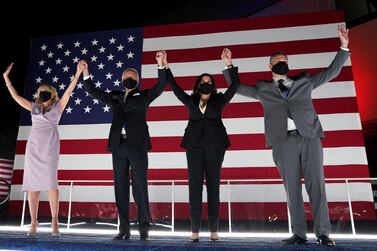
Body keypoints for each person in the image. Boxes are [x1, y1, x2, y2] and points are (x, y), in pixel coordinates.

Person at [222, 24, 350, 246]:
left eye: (285, 60)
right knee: (292, 188)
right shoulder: (263, 88)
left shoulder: (305, 81)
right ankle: (299, 234)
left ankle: (323, 233)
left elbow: (331, 72)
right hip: (283, 141)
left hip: (309, 137)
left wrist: (344, 47)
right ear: (270, 65)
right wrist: (229, 66)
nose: (283, 62)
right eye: (278, 60)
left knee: (316, 184)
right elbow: (237, 88)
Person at [81, 51, 167, 241]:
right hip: (118, 145)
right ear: (121, 79)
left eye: (133, 76)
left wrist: (161, 64)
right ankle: (124, 229)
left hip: (137, 145)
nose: (129, 78)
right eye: (126, 76)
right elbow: (93, 91)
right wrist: (86, 72)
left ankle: (144, 228)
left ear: (138, 80)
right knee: (120, 187)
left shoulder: (144, 96)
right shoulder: (114, 96)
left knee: (139, 187)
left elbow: (160, 86)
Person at [163, 50, 240, 242]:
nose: (206, 83)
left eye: (209, 81)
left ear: (213, 86)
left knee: (213, 188)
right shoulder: (190, 100)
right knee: (194, 188)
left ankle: (214, 230)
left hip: (215, 147)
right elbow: (174, 86)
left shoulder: (220, 99)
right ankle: (194, 231)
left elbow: (235, 85)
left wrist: (228, 64)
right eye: (203, 81)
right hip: (194, 148)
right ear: (198, 85)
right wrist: (165, 66)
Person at [3, 62, 84, 236]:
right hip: (33, 149)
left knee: (51, 185)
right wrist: (7, 80)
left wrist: (77, 74)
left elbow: (69, 92)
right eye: (41, 91)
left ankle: (55, 222)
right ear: (39, 94)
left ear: (52, 94)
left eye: (47, 90)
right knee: (33, 187)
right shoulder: (35, 108)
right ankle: (33, 222)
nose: (44, 92)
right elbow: (17, 98)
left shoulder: (58, 107)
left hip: (50, 149)